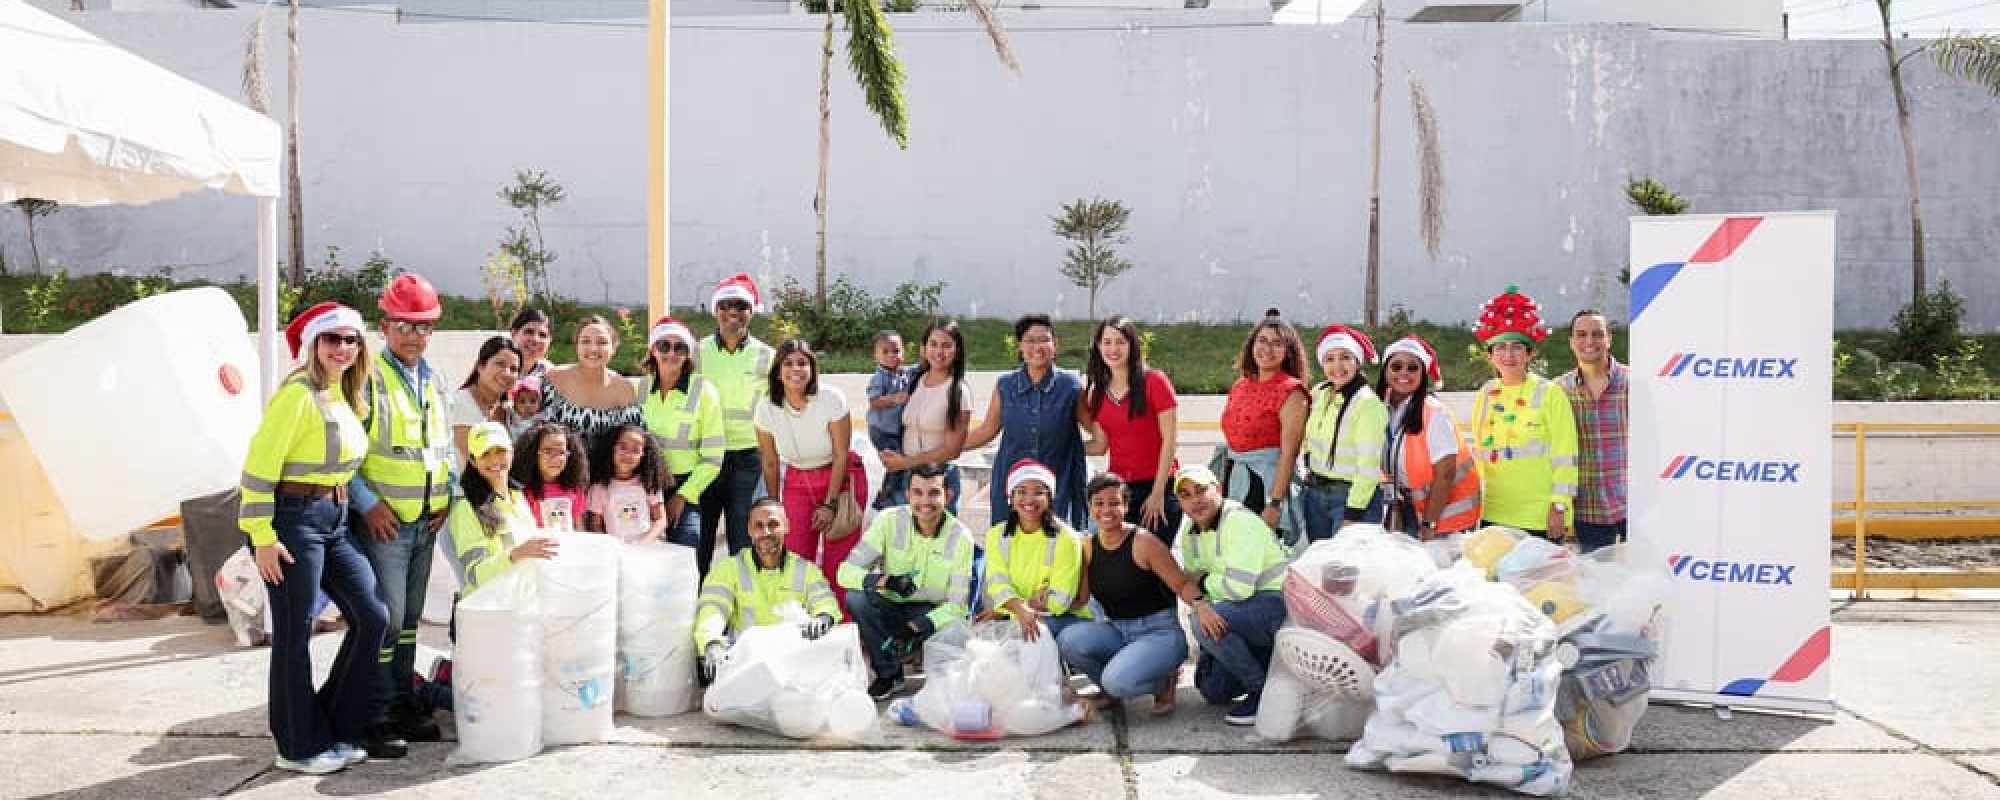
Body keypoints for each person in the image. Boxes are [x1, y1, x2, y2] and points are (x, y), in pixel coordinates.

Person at [240, 302, 389, 774]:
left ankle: (334, 726)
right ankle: (298, 746)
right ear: (312, 345)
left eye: (351, 340)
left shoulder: (342, 394)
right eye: (332, 339)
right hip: (291, 520)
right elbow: (257, 471)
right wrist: (262, 536)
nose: (343, 348)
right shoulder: (297, 395)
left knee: (372, 616)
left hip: (335, 517)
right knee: (294, 633)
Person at [349, 273, 455, 749]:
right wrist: (367, 504)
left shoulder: (433, 380)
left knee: (409, 621)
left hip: (425, 521)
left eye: (424, 326)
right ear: (385, 325)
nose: (415, 335)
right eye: (405, 325)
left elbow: (443, 449)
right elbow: (343, 454)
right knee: (386, 622)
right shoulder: (368, 378)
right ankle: (374, 714)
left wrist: (447, 494)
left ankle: (402, 703)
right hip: (386, 524)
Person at [1057, 473, 1197, 715]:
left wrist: (1202, 607)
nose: (1106, 510)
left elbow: (1182, 584)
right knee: (1068, 640)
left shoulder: (1144, 542)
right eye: (1099, 503)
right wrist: (1036, 607)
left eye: (1114, 502)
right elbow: (1080, 600)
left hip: (1159, 633)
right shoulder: (1088, 546)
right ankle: (1114, 687)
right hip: (1118, 630)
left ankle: (1164, 681)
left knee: (1117, 681)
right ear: (1090, 507)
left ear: (1126, 506)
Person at [839, 463, 976, 699]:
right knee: (856, 598)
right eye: (918, 492)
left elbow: (958, 605)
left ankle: (935, 675)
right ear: (907, 494)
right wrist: (884, 580)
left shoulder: (961, 537)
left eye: (934, 492)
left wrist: (919, 625)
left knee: (957, 630)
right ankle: (888, 674)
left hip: (930, 614)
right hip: (891, 605)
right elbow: (845, 572)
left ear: (948, 495)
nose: (925, 502)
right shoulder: (887, 521)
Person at [755, 339, 867, 619]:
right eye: (788, 363)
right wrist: (774, 506)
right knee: (795, 559)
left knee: (839, 565)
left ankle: (843, 629)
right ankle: (801, 625)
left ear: (813, 368)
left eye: (803, 363)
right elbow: (769, 461)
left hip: (840, 480)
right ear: (778, 371)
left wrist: (830, 505)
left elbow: (841, 454)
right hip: (797, 480)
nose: (796, 369)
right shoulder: (766, 407)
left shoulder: (831, 398)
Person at [1173, 465, 1289, 727]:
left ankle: (1262, 692)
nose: (1196, 500)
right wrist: (1202, 597)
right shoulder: (1190, 531)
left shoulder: (1239, 521)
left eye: (1201, 490)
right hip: (1240, 611)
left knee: (1199, 623)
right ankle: (1266, 661)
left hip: (1275, 606)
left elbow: (1239, 589)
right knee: (1213, 690)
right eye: (1186, 495)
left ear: (1218, 489)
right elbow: (1192, 588)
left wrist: (1203, 582)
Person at [1471, 286, 1579, 542]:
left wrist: (1559, 506)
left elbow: (1566, 454)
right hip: (1495, 512)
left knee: (1539, 582)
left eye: (1517, 347)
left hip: (1540, 516)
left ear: (1531, 353)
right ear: (1490, 355)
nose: (1508, 355)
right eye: (1501, 348)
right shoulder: (1486, 393)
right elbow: (1478, 453)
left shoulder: (1550, 393)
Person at [693, 498, 843, 684]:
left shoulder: (806, 570)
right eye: (759, 526)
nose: (766, 532)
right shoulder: (728, 569)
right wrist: (712, 643)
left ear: (786, 526)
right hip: (747, 661)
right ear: (749, 530)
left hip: (793, 660)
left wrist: (823, 617)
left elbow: (824, 600)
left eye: (773, 524)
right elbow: (712, 609)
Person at [965, 314, 1090, 528]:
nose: (1037, 347)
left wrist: (1074, 449)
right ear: (1020, 346)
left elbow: (1097, 431)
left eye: (1044, 340)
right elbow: (987, 430)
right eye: (1030, 340)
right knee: (1011, 547)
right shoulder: (1005, 385)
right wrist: (946, 447)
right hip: (1013, 484)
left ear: (1055, 345)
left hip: (1057, 485)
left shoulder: (1071, 386)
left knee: (1057, 548)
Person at [695, 273, 778, 572]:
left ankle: (740, 608)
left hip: (747, 461)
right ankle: (698, 608)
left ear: (752, 311)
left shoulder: (768, 357)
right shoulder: (695, 353)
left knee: (743, 543)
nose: (733, 312)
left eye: (741, 306)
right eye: (726, 305)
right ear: (715, 310)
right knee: (698, 541)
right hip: (704, 460)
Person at [1081, 315, 1183, 545]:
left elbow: (1170, 440)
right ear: (1098, 347)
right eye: (1106, 342)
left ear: (1132, 345)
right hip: (1119, 491)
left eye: (1120, 342)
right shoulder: (1097, 392)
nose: (1113, 349)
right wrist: (1063, 446)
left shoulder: (1155, 381)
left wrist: (1157, 494)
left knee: (1154, 561)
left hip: (1158, 486)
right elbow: (1099, 445)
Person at [1375, 336, 1482, 538]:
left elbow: (1446, 475)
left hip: (1445, 517)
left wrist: (1429, 523)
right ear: (1385, 371)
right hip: (1408, 508)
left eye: (1412, 368)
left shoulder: (1434, 413)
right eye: (1396, 366)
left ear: (1423, 374)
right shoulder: (1382, 408)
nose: (1404, 373)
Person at [1217, 309, 1310, 540]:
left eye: (1277, 343)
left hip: (1265, 484)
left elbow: (1289, 453)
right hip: (1235, 478)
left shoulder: (1292, 391)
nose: (1267, 349)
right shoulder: (1241, 385)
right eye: (1262, 340)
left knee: (1260, 556)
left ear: (1288, 351)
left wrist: (1274, 503)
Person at [640, 316, 725, 558]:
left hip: (685, 486)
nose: (671, 353)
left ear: (689, 354)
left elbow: (712, 458)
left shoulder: (705, 392)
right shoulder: (640, 389)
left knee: (686, 549)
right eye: (664, 346)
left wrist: (682, 496)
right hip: (644, 485)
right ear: (653, 350)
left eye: (680, 347)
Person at [980, 459, 1092, 642]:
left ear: (1049, 498)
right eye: (1021, 492)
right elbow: (997, 585)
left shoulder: (1066, 539)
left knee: (1019, 638)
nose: (1029, 500)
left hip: (1061, 619)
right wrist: (1021, 608)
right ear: (1011, 497)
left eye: (1038, 492)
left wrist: (1010, 608)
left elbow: (1059, 602)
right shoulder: (996, 535)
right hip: (1017, 613)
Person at [1297, 324, 1388, 541]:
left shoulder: (1367, 404)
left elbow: (1369, 467)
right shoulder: (1320, 393)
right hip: (1316, 495)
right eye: (1329, 359)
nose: (1337, 366)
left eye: (1345, 357)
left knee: (1346, 571)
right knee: (1319, 568)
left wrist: (1353, 513)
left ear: (1357, 361)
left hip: (1351, 499)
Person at [449, 422, 561, 593]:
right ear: (473, 460)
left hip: (521, 603)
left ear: (512, 453)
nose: (494, 460)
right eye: (485, 453)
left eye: (500, 451)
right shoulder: (466, 508)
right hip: (490, 610)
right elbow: (474, 575)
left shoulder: (518, 496)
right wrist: (515, 554)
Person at [877, 318, 973, 513]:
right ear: (924, 348)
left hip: (937, 480)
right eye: (933, 344)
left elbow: (951, 450)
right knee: (901, 540)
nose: (939, 352)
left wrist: (905, 462)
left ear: (957, 351)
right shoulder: (914, 381)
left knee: (935, 542)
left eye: (946, 346)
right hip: (904, 477)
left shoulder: (958, 391)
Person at [1556, 310, 1628, 553]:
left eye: (1597, 334)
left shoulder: (1634, 383)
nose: (1589, 342)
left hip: (1633, 505)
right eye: (1581, 335)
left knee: (1648, 581)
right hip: (1588, 507)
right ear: (1571, 342)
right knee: (1598, 584)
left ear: (1609, 338)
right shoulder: (1559, 390)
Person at [541, 315, 643, 453]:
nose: (593, 349)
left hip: (606, 471)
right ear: (576, 346)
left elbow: (637, 440)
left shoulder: (624, 389)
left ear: (613, 348)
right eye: (585, 341)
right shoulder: (553, 378)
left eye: (602, 342)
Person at [585, 424, 672, 544]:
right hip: (617, 552)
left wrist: (645, 543)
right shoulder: (599, 489)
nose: (628, 454)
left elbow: (661, 520)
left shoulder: (649, 483)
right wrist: (610, 547)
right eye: (623, 447)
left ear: (644, 454)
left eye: (635, 450)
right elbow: (595, 525)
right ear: (612, 448)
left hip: (649, 549)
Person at [450, 336, 522, 464]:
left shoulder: (509, 410)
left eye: (513, 369)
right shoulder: (460, 403)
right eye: (500, 364)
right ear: (480, 366)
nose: (507, 373)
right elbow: (480, 463)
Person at [509, 421, 590, 532]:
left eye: (561, 452)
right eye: (548, 451)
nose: (555, 458)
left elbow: (579, 526)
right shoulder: (523, 492)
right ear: (533, 453)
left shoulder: (574, 488)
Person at [865, 330, 913, 510]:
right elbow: (874, 401)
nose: (892, 356)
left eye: (896, 351)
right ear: (875, 356)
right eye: (885, 352)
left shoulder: (903, 373)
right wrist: (893, 398)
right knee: (896, 462)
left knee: (899, 461)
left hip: (894, 429)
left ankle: (890, 492)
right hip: (881, 430)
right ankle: (885, 496)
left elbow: (918, 369)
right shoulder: (879, 378)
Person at [509, 308, 554, 378]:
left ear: (550, 340)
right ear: (513, 334)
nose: (535, 339)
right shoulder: (497, 368)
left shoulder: (551, 373)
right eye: (529, 332)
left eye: (542, 335)